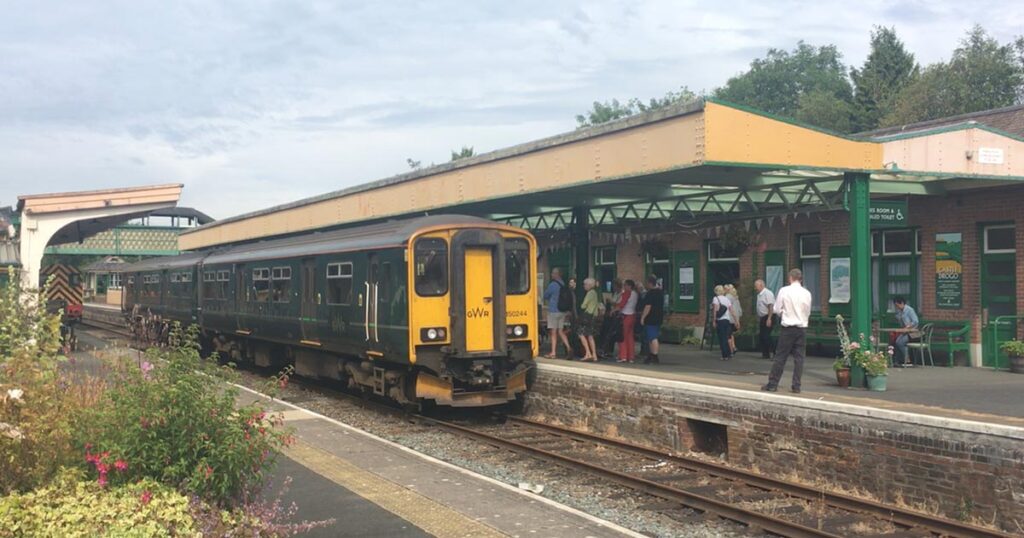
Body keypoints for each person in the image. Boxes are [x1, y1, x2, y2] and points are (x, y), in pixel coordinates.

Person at [762, 269, 813, 394]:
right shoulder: (807, 293)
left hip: (788, 327)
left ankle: (773, 384)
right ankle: (796, 386)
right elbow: (808, 311)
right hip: (801, 328)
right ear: (800, 278)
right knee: (799, 358)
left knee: (780, 356)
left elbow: (777, 309)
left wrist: (784, 314)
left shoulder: (784, 291)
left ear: (790, 277)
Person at [542, 268, 572, 359]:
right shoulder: (563, 284)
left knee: (553, 332)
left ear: (557, 274)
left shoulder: (553, 285)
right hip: (562, 311)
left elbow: (545, 295)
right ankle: (569, 347)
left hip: (554, 311)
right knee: (561, 331)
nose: (551, 275)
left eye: (553, 273)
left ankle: (553, 352)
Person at [639, 275, 665, 364]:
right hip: (658, 317)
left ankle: (655, 355)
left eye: (647, 283)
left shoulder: (651, 293)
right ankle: (651, 354)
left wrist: (643, 317)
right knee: (651, 337)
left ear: (650, 283)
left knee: (652, 337)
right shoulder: (660, 293)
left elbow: (648, 306)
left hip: (651, 318)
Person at [612, 279, 638, 363]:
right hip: (632, 315)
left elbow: (622, 304)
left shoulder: (627, 293)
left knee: (622, 336)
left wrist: (614, 310)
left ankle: (623, 356)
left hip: (625, 316)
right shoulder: (635, 294)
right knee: (630, 337)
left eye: (625, 285)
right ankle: (631, 356)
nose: (624, 287)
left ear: (629, 286)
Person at [892, 296, 921, 367]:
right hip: (905, 332)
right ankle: (898, 361)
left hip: (913, 333)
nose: (897, 307)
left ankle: (907, 360)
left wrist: (907, 327)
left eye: (897, 305)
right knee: (896, 341)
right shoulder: (900, 312)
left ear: (902, 303)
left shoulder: (909, 310)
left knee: (900, 342)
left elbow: (915, 321)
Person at [577, 278, 601, 362]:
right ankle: (594, 355)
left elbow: (583, 305)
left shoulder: (589, 293)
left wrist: (582, 305)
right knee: (590, 336)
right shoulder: (595, 293)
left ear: (589, 285)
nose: (584, 286)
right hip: (593, 316)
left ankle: (588, 353)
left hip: (587, 316)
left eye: (585, 284)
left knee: (581, 333)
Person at [754, 279, 777, 360]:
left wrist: (769, 318)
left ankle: (775, 352)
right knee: (762, 336)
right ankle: (765, 354)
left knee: (766, 336)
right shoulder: (759, 295)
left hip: (768, 316)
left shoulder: (767, 293)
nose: (755, 288)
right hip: (762, 317)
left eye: (756, 286)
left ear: (761, 285)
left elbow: (770, 306)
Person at [711, 285, 735, 360]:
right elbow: (731, 310)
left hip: (720, 320)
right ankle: (729, 353)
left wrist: (714, 320)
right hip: (727, 320)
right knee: (726, 337)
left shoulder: (715, 299)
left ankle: (724, 355)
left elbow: (715, 310)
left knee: (722, 338)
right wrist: (736, 320)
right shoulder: (727, 299)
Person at [725, 284, 742, 355]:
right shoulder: (735, 298)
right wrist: (737, 319)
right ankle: (733, 346)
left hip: (729, 317)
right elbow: (739, 309)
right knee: (731, 333)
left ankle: (730, 350)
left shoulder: (727, 297)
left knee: (728, 334)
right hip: (735, 317)